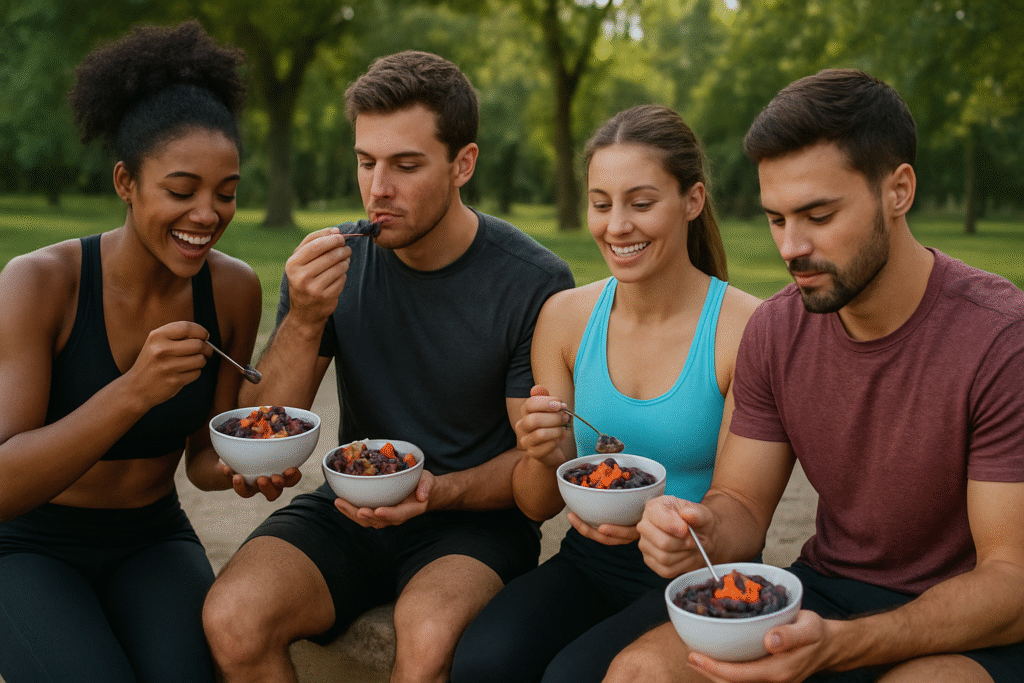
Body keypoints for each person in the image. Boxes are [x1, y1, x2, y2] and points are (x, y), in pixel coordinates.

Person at [608, 69, 1024, 683]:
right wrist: (698, 527)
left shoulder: (1000, 339)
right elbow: (742, 508)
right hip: (827, 595)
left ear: (898, 190)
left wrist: (842, 647)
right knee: (640, 672)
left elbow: (1011, 581)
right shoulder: (776, 331)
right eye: (776, 219)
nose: (791, 246)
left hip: (969, 622)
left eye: (818, 215)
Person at [201, 50, 575, 683]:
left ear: (464, 164)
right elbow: (272, 437)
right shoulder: (333, 266)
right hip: (352, 504)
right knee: (232, 618)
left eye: (406, 165)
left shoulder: (533, 283)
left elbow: (534, 463)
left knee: (426, 641)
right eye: (366, 162)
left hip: (472, 522)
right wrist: (306, 317)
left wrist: (436, 491)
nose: (379, 189)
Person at [450, 104, 762, 683]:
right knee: (481, 664)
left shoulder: (744, 329)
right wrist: (546, 453)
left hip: (701, 574)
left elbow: (745, 508)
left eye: (641, 204)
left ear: (692, 201)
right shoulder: (565, 319)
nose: (617, 226)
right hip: (591, 562)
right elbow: (538, 504)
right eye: (601, 204)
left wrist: (680, 527)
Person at [0, 21, 265, 683]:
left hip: (151, 536)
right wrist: (133, 391)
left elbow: (203, 460)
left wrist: (246, 465)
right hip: (26, 544)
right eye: (181, 191)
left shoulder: (232, 290)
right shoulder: (40, 284)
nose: (207, 213)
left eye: (226, 192)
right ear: (126, 182)